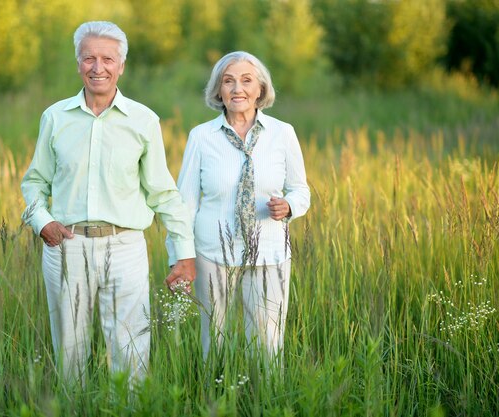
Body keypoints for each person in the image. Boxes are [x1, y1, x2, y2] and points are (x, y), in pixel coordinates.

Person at [21, 21, 196, 385]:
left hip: (125, 246)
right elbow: (35, 182)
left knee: (132, 353)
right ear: (78, 63)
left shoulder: (144, 121)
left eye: (107, 59)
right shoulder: (55, 117)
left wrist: (183, 253)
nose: (97, 67)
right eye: (89, 58)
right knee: (69, 355)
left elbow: (163, 192)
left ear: (122, 66)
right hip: (66, 246)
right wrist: (42, 221)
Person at [167, 51, 310, 359]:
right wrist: (180, 257)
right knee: (213, 342)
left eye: (246, 81)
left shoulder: (283, 133)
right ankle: (214, 400)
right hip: (212, 255)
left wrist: (289, 206)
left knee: (268, 345)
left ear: (260, 89)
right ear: (218, 90)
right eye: (228, 81)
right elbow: (184, 204)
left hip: (270, 252)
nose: (237, 89)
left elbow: (300, 190)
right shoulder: (201, 137)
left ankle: (264, 401)